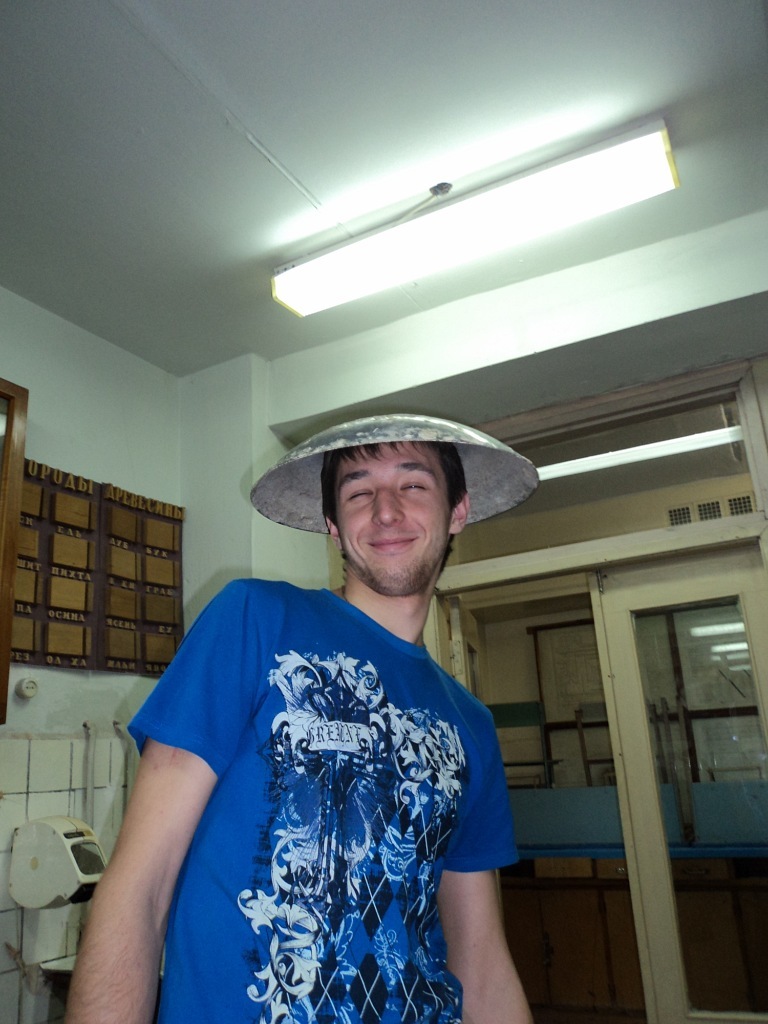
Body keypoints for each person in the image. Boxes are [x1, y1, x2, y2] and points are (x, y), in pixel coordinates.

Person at [65, 413, 538, 1024]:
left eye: (414, 485)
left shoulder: (470, 724)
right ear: (333, 525)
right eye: (359, 492)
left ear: (458, 511)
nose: (386, 511)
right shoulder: (254, 620)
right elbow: (141, 887)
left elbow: (481, 957)